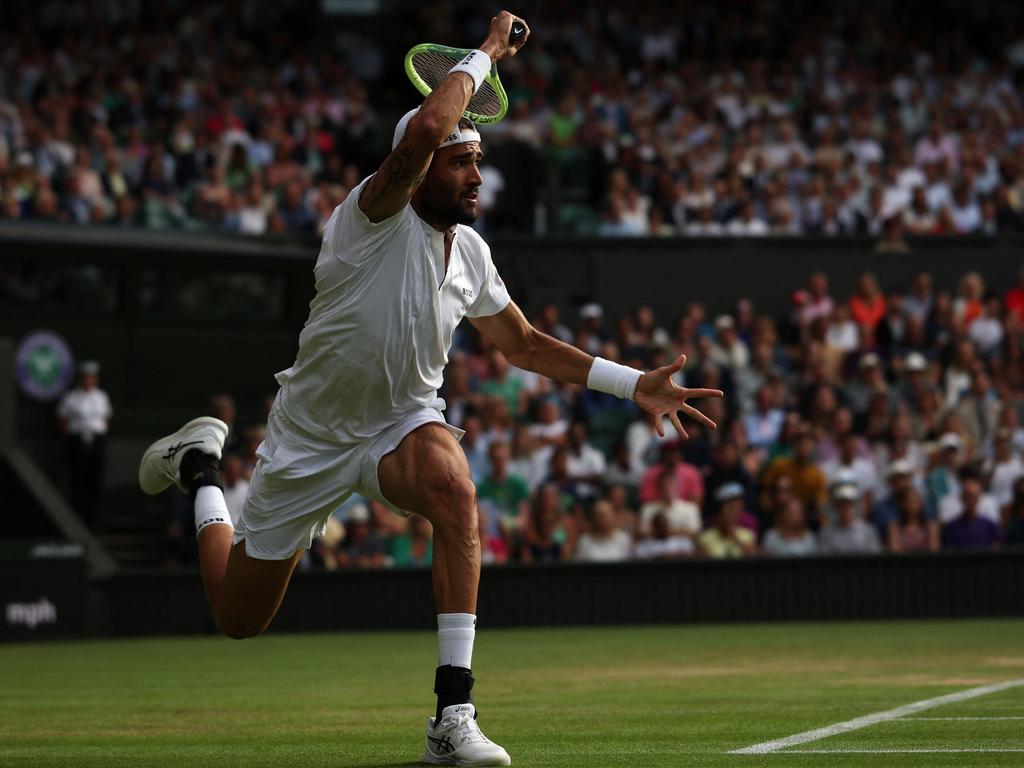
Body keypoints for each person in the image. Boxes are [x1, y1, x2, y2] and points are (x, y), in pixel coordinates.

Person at [136, 13, 722, 767]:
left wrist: (631, 382)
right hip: (309, 437)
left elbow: (523, 345)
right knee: (237, 616)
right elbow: (422, 134)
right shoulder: (369, 217)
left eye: (477, 161)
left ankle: (453, 713)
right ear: (421, 169)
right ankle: (201, 470)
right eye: (461, 161)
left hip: (399, 427)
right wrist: (487, 50)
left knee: (453, 484)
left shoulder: (471, 253)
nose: (476, 175)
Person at [57, 360, 113, 527]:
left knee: (95, 478)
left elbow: (106, 418)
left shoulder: (102, 397)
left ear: (95, 379)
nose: (88, 380)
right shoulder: (71, 397)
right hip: (77, 441)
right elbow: (62, 419)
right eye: (85, 377)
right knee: (78, 479)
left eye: (92, 377)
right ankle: (77, 517)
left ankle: (93, 518)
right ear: (81, 379)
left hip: (96, 441)